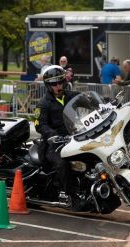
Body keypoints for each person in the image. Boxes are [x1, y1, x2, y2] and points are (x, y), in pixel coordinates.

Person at [34, 65, 80, 205]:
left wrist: (107, 102)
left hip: (72, 138)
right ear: (48, 85)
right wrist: (54, 136)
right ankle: (73, 196)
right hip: (53, 143)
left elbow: (86, 98)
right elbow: (39, 125)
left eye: (60, 82)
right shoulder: (43, 103)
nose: (58, 86)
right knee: (62, 163)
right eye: (54, 84)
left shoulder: (69, 96)